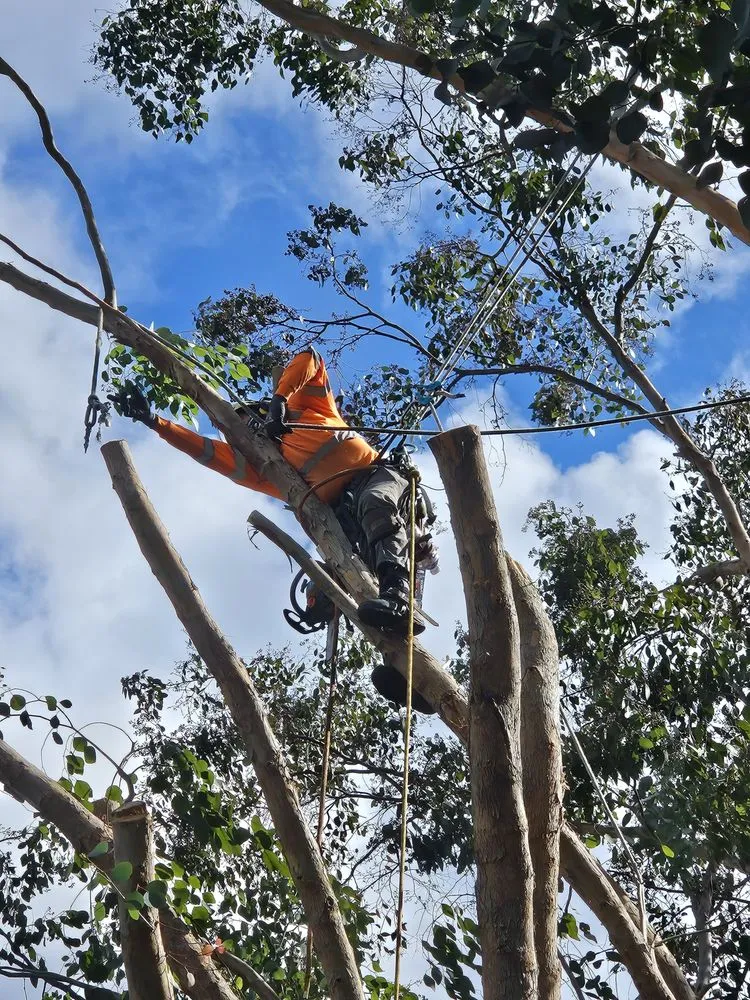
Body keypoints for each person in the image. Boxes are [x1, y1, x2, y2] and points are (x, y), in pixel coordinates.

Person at [111, 347, 438, 709]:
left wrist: (281, 400)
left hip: (378, 479)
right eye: (241, 435)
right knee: (345, 579)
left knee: (375, 506)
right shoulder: (269, 470)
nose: (249, 433)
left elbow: (311, 360)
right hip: (348, 522)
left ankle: (397, 595)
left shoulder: (308, 410)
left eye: (251, 421)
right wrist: (156, 423)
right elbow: (207, 453)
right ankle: (404, 669)